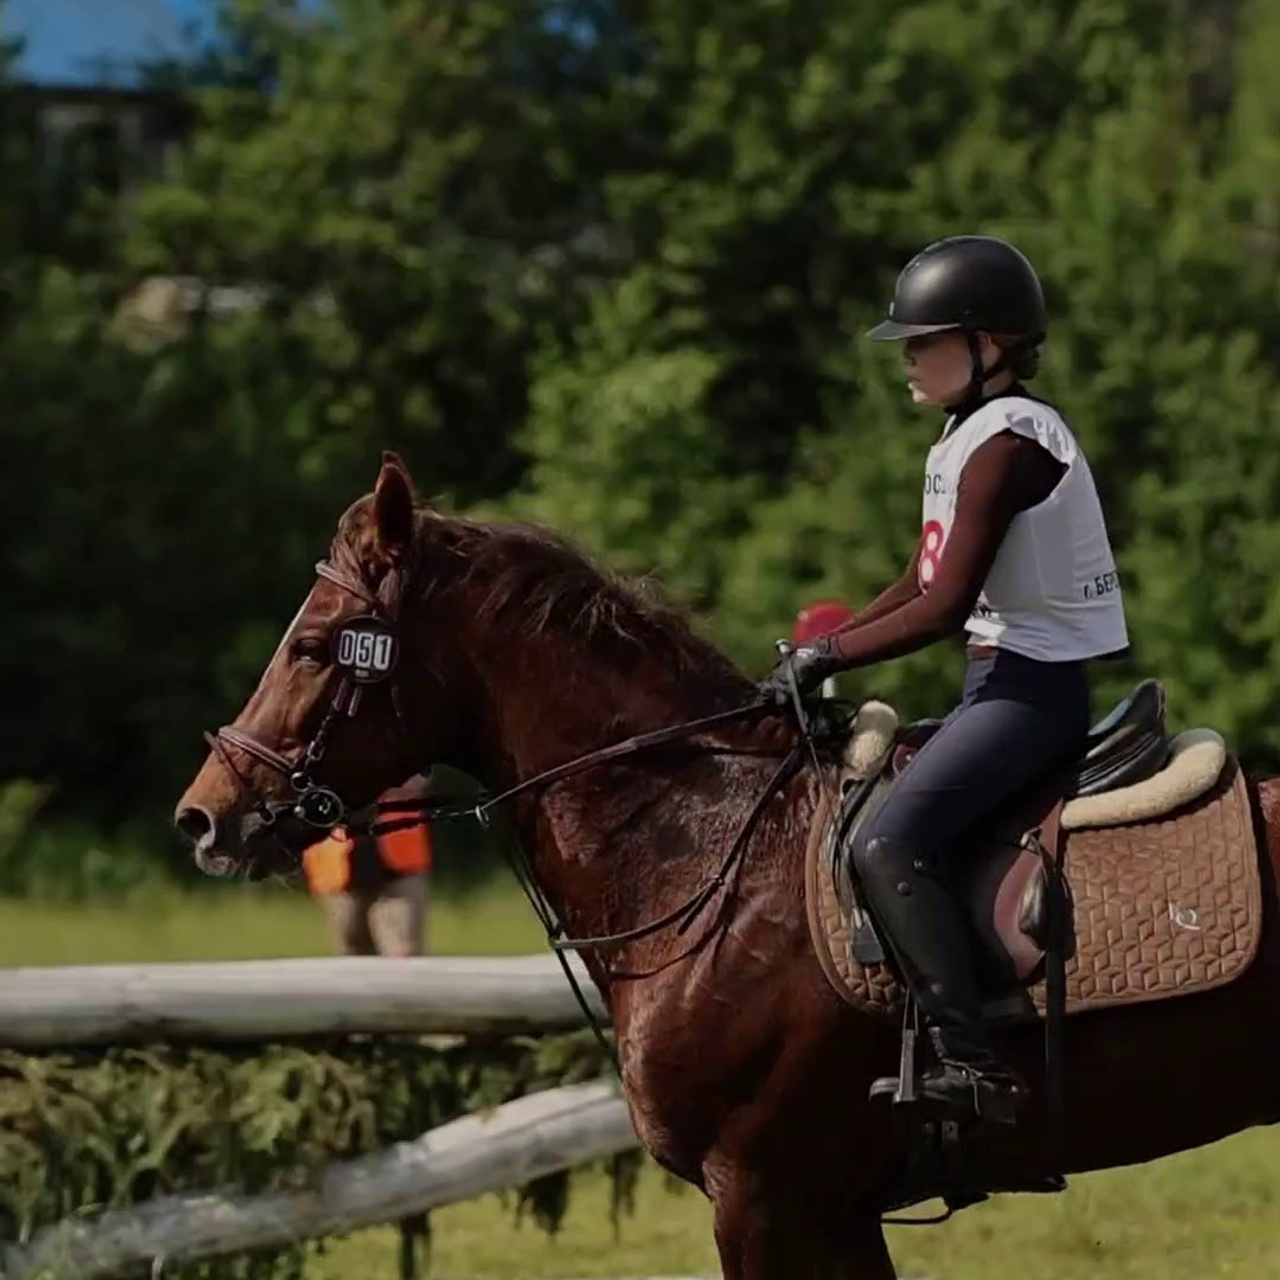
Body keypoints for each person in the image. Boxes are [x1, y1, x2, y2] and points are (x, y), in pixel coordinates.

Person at [760, 235, 1129, 1124]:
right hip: (995, 684)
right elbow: (916, 581)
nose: (908, 360)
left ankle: (973, 1064)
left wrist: (830, 657)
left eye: (924, 342)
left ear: (988, 344)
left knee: (886, 843)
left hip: (1032, 693)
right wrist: (819, 651)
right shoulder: (965, 436)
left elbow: (943, 607)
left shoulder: (1014, 442)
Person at [303, 771, 434, 957]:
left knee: (403, 956)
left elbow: (420, 777)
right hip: (338, 869)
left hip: (400, 866)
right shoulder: (312, 745)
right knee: (352, 960)